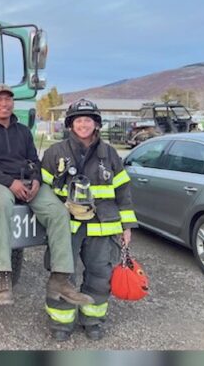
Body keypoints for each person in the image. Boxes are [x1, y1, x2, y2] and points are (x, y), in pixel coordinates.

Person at [0, 84, 92, 308]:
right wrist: (10, 183)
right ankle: (3, 277)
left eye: (8, 99)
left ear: (12, 103)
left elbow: (34, 160)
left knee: (58, 212)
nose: (4, 103)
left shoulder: (23, 132)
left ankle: (60, 279)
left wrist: (36, 179)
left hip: (26, 182)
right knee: (0, 203)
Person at [39, 99, 137, 341]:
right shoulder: (55, 153)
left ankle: (92, 320)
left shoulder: (110, 154)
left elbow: (123, 191)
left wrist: (127, 226)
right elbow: (43, 191)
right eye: (78, 120)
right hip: (67, 226)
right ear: (71, 125)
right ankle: (61, 323)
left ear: (96, 124)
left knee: (100, 275)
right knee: (63, 274)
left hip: (104, 226)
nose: (83, 124)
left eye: (88, 120)